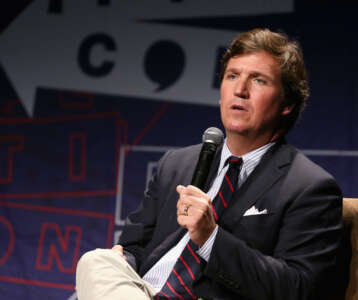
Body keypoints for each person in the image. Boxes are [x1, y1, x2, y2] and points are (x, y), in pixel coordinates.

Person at [76, 28, 342, 300]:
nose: (240, 90)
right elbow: (133, 247)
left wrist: (210, 238)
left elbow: (296, 288)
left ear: (287, 103)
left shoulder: (309, 188)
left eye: (259, 80)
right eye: (232, 76)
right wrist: (124, 260)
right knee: (97, 260)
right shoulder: (177, 164)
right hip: (142, 292)